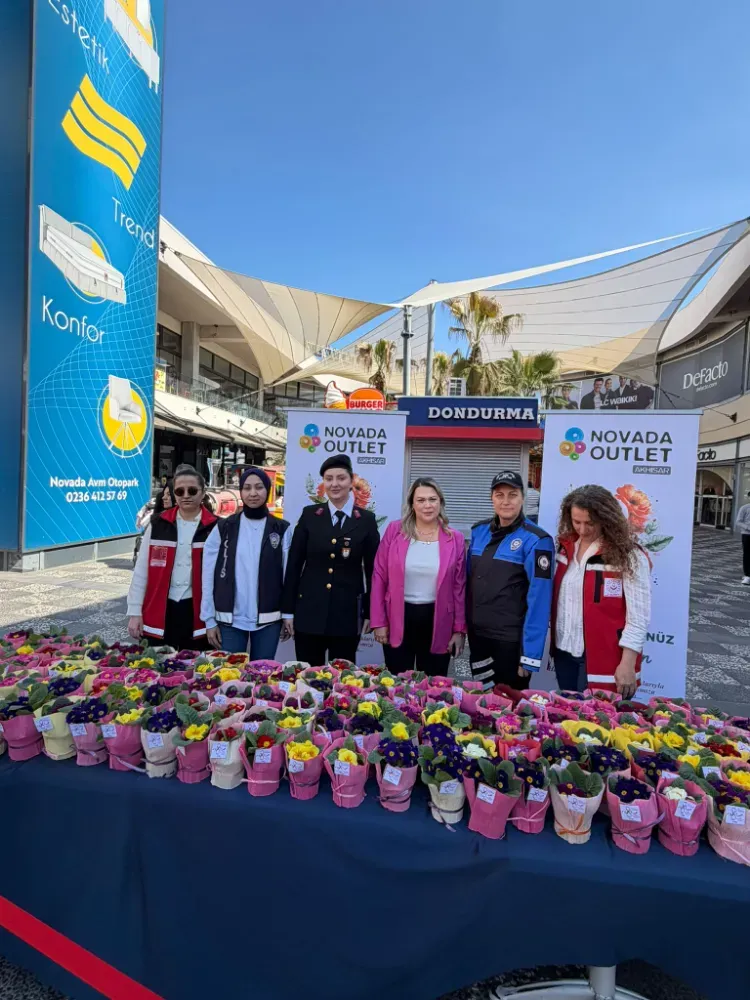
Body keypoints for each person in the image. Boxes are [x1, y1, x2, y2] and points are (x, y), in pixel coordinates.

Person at [552, 485, 651, 697]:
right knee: (566, 713)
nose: (582, 529)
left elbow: (638, 618)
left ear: (606, 519)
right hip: (564, 653)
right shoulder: (564, 547)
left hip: (606, 659)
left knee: (597, 717)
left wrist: (628, 663)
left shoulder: (630, 556)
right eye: (576, 522)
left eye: (590, 523)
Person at [282, 453, 380, 665]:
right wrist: (288, 611)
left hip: (346, 615)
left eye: (341, 478)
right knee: (307, 675)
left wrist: (370, 612)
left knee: (343, 678)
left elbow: (373, 571)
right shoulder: (309, 516)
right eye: (329, 479)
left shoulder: (366, 520)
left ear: (351, 481)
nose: (335, 484)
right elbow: (294, 565)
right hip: (309, 612)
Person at [467, 471, 555, 691]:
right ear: (492, 498)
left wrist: (530, 655)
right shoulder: (479, 531)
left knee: (510, 708)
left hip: (511, 643)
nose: (506, 501)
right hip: (478, 639)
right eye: (499, 495)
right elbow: (468, 585)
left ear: (523, 498)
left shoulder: (537, 539)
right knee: (481, 701)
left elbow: (540, 600)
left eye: (512, 495)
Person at [370, 478, 466, 674]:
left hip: (438, 620)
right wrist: (378, 621)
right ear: (412, 504)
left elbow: (459, 587)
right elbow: (379, 576)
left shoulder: (454, 538)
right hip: (398, 617)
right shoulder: (394, 531)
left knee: (434, 683)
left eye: (432, 499)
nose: (427, 505)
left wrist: (459, 630)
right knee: (396, 682)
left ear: (440, 502)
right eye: (421, 500)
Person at [201, 467, 292, 658]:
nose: (253, 493)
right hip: (229, 620)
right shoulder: (224, 527)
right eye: (247, 488)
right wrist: (209, 619)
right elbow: (208, 575)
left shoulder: (281, 529)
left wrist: (288, 614)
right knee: (229, 673)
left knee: (263, 672)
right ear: (241, 491)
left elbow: (288, 576)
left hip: (269, 619)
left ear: (268, 490)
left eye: (259, 487)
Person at [127, 465, 218, 650]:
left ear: (203, 493)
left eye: (192, 490)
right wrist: (135, 611)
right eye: (179, 491)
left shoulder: (216, 527)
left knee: (195, 664)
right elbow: (141, 570)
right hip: (160, 607)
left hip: (197, 611)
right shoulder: (157, 524)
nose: (186, 495)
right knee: (157, 662)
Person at [735, 491, 750, 585]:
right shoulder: (744, 508)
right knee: (747, 554)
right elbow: (738, 521)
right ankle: (747, 575)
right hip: (747, 534)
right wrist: (748, 527)